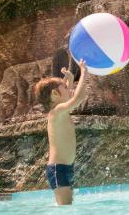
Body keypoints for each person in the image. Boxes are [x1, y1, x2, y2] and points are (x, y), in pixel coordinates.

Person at [34, 59, 88, 205]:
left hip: (65, 168)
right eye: (65, 87)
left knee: (67, 207)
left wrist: (69, 80)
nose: (69, 89)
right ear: (55, 95)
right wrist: (83, 72)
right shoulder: (57, 111)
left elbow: (67, 96)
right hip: (58, 169)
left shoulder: (59, 111)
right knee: (65, 209)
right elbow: (77, 98)